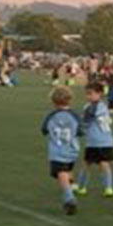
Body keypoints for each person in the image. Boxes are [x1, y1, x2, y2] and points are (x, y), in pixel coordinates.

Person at [42, 86, 83, 216]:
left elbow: (44, 130)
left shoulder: (51, 116)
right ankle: (70, 185)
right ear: (70, 100)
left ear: (53, 102)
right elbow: (81, 131)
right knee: (67, 170)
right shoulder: (75, 115)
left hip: (57, 151)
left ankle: (69, 198)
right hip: (72, 150)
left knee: (61, 173)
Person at [75, 82, 113, 199]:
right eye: (87, 94)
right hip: (106, 141)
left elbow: (87, 119)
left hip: (95, 141)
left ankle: (81, 187)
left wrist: (78, 125)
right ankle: (108, 188)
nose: (88, 96)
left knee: (87, 164)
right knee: (104, 164)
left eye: (90, 94)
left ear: (99, 94)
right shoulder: (103, 106)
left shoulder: (93, 107)